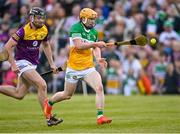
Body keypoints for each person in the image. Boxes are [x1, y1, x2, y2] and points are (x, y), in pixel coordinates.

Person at [44, 8, 112, 125]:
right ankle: (49, 103)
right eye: (90, 19)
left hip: (88, 68)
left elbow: (95, 48)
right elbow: (79, 45)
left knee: (99, 88)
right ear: (83, 19)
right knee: (67, 95)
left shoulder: (94, 32)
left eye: (93, 19)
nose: (92, 21)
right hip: (73, 68)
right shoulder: (76, 28)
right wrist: (96, 43)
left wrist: (98, 58)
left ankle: (100, 116)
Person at [0, 7, 62, 126]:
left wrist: (52, 63)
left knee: (19, 94)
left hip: (32, 64)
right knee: (42, 84)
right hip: (22, 62)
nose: (41, 21)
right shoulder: (23, 31)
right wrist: (13, 65)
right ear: (31, 18)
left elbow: (46, 44)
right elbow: (7, 47)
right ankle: (49, 117)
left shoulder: (44, 29)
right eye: (38, 18)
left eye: (42, 18)